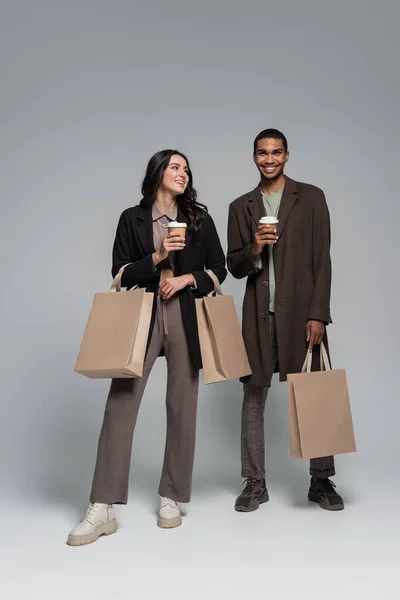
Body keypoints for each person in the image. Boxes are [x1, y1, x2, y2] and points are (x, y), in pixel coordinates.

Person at [67, 149, 227, 545]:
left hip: (183, 314)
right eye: (175, 167)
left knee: (182, 404)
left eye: (186, 168)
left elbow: (218, 268)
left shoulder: (198, 219)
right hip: (142, 312)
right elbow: (119, 273)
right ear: (157, 173)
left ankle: (170, 495)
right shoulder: (131, 218)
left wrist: (187, 278)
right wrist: (158, 258)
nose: (182, 173)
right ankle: (102, 506)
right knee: (121, 403)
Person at [227, 128, 344, 513]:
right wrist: (256, 247)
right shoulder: (240, 206)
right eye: (262, 153)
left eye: (276, 152)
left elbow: (321, 261)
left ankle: (321, 479)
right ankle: (255, 482)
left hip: (301, 316)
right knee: (253, 395)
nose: (270, 159)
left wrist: (317, 315)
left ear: (287, 156)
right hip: (259, 317)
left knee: (315, 392)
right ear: (254, 157)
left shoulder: (310, 198)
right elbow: (235, 266)